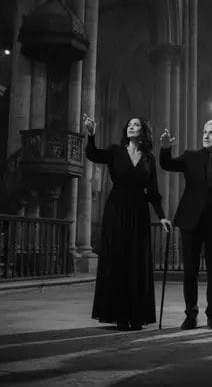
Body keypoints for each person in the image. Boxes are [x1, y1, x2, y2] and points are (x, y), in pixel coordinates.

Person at [84, 114, 172, 331]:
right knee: (118, 259)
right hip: (117, 210)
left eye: (137, 125)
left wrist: (161, 216)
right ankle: (119, 314)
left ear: (143, 131)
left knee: (136, 261)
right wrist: (91, 135)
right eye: (130, 124)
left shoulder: (149, 158)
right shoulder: (115, 151)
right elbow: (93, 154)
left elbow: (153, 192)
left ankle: (137, 314)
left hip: (138, 211)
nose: (132, 127)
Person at [160, 120, 212, 330]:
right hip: (190, 221)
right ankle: (191, 315)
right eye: (204, 131)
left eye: (211, 133)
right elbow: (166, 165)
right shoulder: (190, 156)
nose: (206, 135)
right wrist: (166, 148)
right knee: (190, 272)